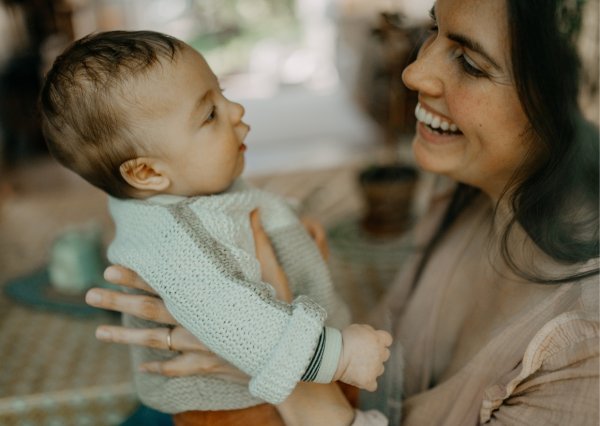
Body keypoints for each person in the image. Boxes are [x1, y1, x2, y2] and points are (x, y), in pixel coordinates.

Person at [83, 0, 600, 424]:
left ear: (578, 98)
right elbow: (379, 360)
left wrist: (276, 368)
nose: (414, 71)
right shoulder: (463, 193)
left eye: (469, 61)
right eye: (434, 29)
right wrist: (297, 291)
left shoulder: (582, 352)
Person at [39, 31, 393, 418]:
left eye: (221, 92)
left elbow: (240, 211)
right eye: (210, 114)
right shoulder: (175, 238)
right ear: (146, 171)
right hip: (234, 406)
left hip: (290, 371)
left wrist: (287, 221)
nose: (236, 109)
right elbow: (236, 316)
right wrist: (339, 358)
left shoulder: (192, 192)